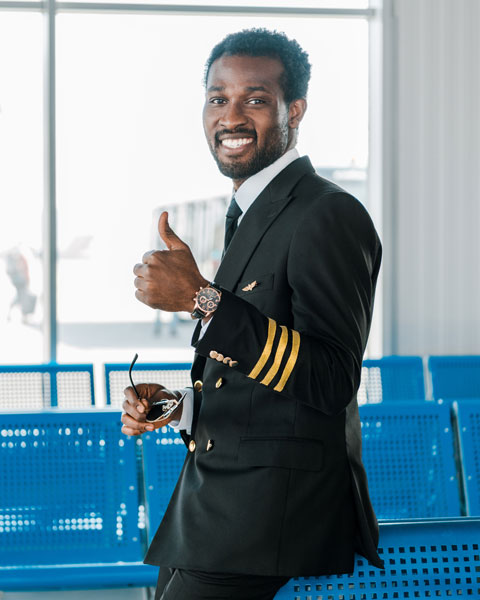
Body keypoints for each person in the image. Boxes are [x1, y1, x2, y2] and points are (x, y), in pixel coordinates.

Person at [122, 28, 383, 600]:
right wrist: (182, 405)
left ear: (295, 111)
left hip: (268, 515)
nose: (231, 115)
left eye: (255, 99)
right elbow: (258, 362)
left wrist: (200, 299)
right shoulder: (255, 211)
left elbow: (332, 377)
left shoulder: (326, 214)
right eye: (218, 98)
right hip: (216, 503)